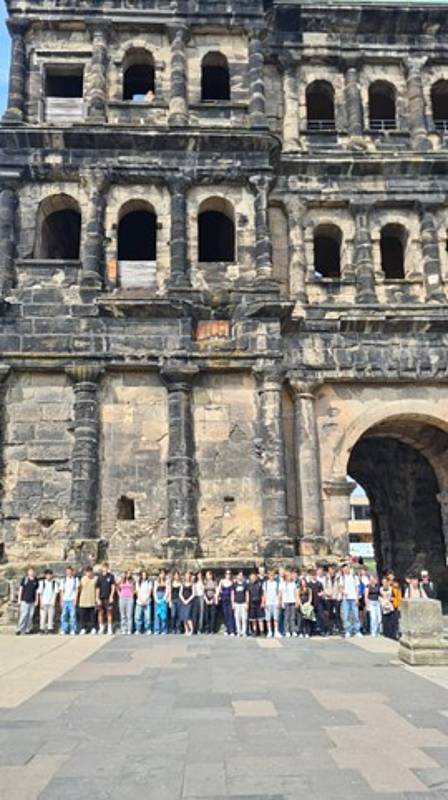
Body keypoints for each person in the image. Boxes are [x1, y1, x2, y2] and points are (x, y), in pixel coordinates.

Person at [340, 564, 361, 638]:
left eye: (347, 569)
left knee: (355, 615)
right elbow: (341, 587)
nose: (345, 570)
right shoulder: (342, 578)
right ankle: (348, 630)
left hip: (353, 598)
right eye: (344, 569)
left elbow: (357, 588)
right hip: (346, 599)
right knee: (346, 615)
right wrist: (343, 592)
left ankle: (357, 631)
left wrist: (357, 598)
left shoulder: (354, 577)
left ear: (349, 569)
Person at [16, 567, 39, 635]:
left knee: (30, 616)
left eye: (32, 571)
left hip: (32, 601)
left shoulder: (36, 580)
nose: (31, 572)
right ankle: (19, 629)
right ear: (28, 572)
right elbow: (21, 589)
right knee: (24, 615)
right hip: (24, 600)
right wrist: (19, 599)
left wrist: (36, 600)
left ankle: (27, 629)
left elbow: (36, 591)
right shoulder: (25, 579)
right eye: (30, 571)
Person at [95, 562, 115, 635]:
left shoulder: (111, 576)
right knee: (100, 613)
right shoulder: (99, 577)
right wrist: (97, 598)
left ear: (108, 568)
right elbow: (97, 588)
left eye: (106, 567)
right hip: (101, 597)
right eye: (104, 567)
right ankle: (101, 627)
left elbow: (113, 587)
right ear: (102, 568)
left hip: (108, 598)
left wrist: (111, 596)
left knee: (109, 613)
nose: (105, 569)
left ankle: (109, 628)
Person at [77, 565, 97, 634]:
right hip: (83, 600)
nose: (88, 573)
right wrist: (77, 599)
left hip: (92, 600)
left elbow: (97, 589)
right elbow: (79, 589)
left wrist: (96, 598)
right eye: (87, 572)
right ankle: (83, 628)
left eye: (90, 571)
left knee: (92, 616)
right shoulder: (82, 579)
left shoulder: (95, 579)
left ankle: (93, 628)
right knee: (83, 616)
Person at [322, 565, 342, 635]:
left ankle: (339, 629)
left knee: (337, 614)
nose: (331, 571)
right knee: (329, 614)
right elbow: (324, 587)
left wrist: (339, 596)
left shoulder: (338, 577)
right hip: (328, 598)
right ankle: (329, 629)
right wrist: (327, 593)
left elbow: (340, 587)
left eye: (333, 569)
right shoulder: (326, 578)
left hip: (336, 597)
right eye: (330, 569)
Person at [60, 565, 79, 636]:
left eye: (70, 572)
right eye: (67, 572)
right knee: (64, 615)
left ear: (72, 572)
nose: (69, 573)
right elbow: (61, 591)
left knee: (73, 615)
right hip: (65, 600)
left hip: (72, 599)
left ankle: (73, 629)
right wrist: (61, 600)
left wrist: (75, 599)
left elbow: (77, 590)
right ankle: (64, 629)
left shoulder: (75, 580)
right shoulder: (63, 580)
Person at [38, 568, 58, 635]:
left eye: (50, 575)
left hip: (51, 602)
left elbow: (55, 593)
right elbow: (40, 593)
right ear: (45, 575)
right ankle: (42, 629)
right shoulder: (42, 583)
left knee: (51, 617)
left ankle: (50, 629)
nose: (48, 576)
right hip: (44, 602)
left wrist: (54, 602)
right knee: (43, 617)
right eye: (47, 575)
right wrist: (40, 602)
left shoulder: (54, 583)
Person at [308, 568, 327, 636]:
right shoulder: (309, 584)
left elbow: (323, 591)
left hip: (319, 602)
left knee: (321, 616)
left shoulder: (319, 583)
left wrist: (322, 593)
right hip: (311, 602)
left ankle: (322, 630)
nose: (314, 576)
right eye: (312, 575)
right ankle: (311, 630)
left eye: (315, 575)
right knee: (311, 617)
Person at [280, 570, 298, 637]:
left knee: (292, 617)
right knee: (286, 617)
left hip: (292, 601)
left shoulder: (293, 583)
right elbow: (280, 594)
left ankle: (293, 630)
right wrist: (281, 602)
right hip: (285, 602)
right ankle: (287, 631)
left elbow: (295, 593)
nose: (289, 577)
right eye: (288, 575)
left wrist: (296, 601)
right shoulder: (282, 583)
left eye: (290, 575)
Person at [134, 570, 152, 635]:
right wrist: (141, 600)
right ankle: (138, 629)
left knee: (147, 617)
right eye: (143, 575)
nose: (144, 576)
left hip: (147, 602)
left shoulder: (149, 582)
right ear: (141, 575)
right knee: (137, 616)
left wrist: (145, 600)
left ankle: (147, 629)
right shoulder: (138, 582)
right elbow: (137, 592)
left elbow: (150, 592)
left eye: (145, 575)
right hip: (139, 602)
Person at [117, 570, 135, 635]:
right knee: (123, 615)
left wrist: (132, 595)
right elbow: (117, 587)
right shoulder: (121, 580)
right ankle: (123, 629)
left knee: (129, 615)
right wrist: (119, 594)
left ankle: (129, 629)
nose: (128, 575)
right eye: (127, 573)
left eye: (129, 573)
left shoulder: (132, 581)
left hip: (129, 598)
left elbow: (134, 589)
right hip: (122, 598)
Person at [218, 570, 236, 635]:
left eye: (229, 573)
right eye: (227, 573)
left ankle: (232, 630)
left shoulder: (232, 582)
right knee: (225, 615)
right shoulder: (222, 581)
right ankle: (227, 629)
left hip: (229, 600)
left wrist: (233, 602)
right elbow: (218, 590)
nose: (228, 575)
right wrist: (217, 597)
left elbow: (232, 593)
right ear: (225, 574)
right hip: (223, 600)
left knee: (230, 615)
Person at [264, 569, 281, 638]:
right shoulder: (265, 583)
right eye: (270, 575)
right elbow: (264, 593)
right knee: (268, 618)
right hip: (268, 602)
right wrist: (264, 602)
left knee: (276, 618)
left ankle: (276, 631)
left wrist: (279, 601)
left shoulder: (276, 583)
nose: (272, 576)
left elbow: (278, 593)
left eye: (273, 575)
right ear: (268, 576)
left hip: (275, 602)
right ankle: (270, 631)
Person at [247, 571, 265, 637]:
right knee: (253, 619)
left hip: (259, 603)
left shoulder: (259, 584)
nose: (252, 578)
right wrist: (247, 603)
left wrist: (263, 602)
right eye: (251, 577)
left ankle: (262, 631)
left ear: (256, 577)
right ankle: (255, 631)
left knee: (260, 618)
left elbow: (263, 594)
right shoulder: (248, 585)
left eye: (254, 577)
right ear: (249, 578)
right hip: (252, 603)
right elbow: (247, 595)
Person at [232, 571, 249, 637]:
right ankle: (238, 631)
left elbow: (247, 594)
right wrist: (233, 603)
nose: (240, 577)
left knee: (244, 618)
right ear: (237, 576)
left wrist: (247, 603)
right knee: (237, 618)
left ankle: (244, 632)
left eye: (241, 575)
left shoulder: (245, 584)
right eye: (239, 575)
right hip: (236, 603)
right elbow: (232, 594)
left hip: (243, 603)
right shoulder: (234, 584)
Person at [154, 570, 170, 635]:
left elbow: (168, 590)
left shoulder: (167, 581)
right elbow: (154, 591)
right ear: (159, 575)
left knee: (163, 615)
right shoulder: (156, 582)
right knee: (157, 615)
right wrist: (156, 599)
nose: (162, 575)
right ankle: (157, 629)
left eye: (163, 574)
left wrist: (164, 598)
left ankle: (164, 629)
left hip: (164, 598)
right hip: (157, 598)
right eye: (161, 574)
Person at [180, 571, 195, 636]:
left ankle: (191, 629)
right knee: (184, 617)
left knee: (188, 616)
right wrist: (183, 600)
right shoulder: (182, 584)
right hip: (183, 601)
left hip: (189, 602)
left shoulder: (192, 584)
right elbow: (180, 593)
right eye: (186, 576)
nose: (187, 577)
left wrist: (188, 600)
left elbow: (193, 594)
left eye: (188, 576)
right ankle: (186, 630)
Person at [170, 570, 182, 634]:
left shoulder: (181, 583)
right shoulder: (171, 583)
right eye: (175, 575)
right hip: (173, 600)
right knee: (173, 614)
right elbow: (170, 592)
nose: (176, 576)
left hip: (179, 600)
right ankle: (173, 628)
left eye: (177, 575)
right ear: (174, 576)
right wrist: (169, 601)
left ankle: (178, 628)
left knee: (178, 615)